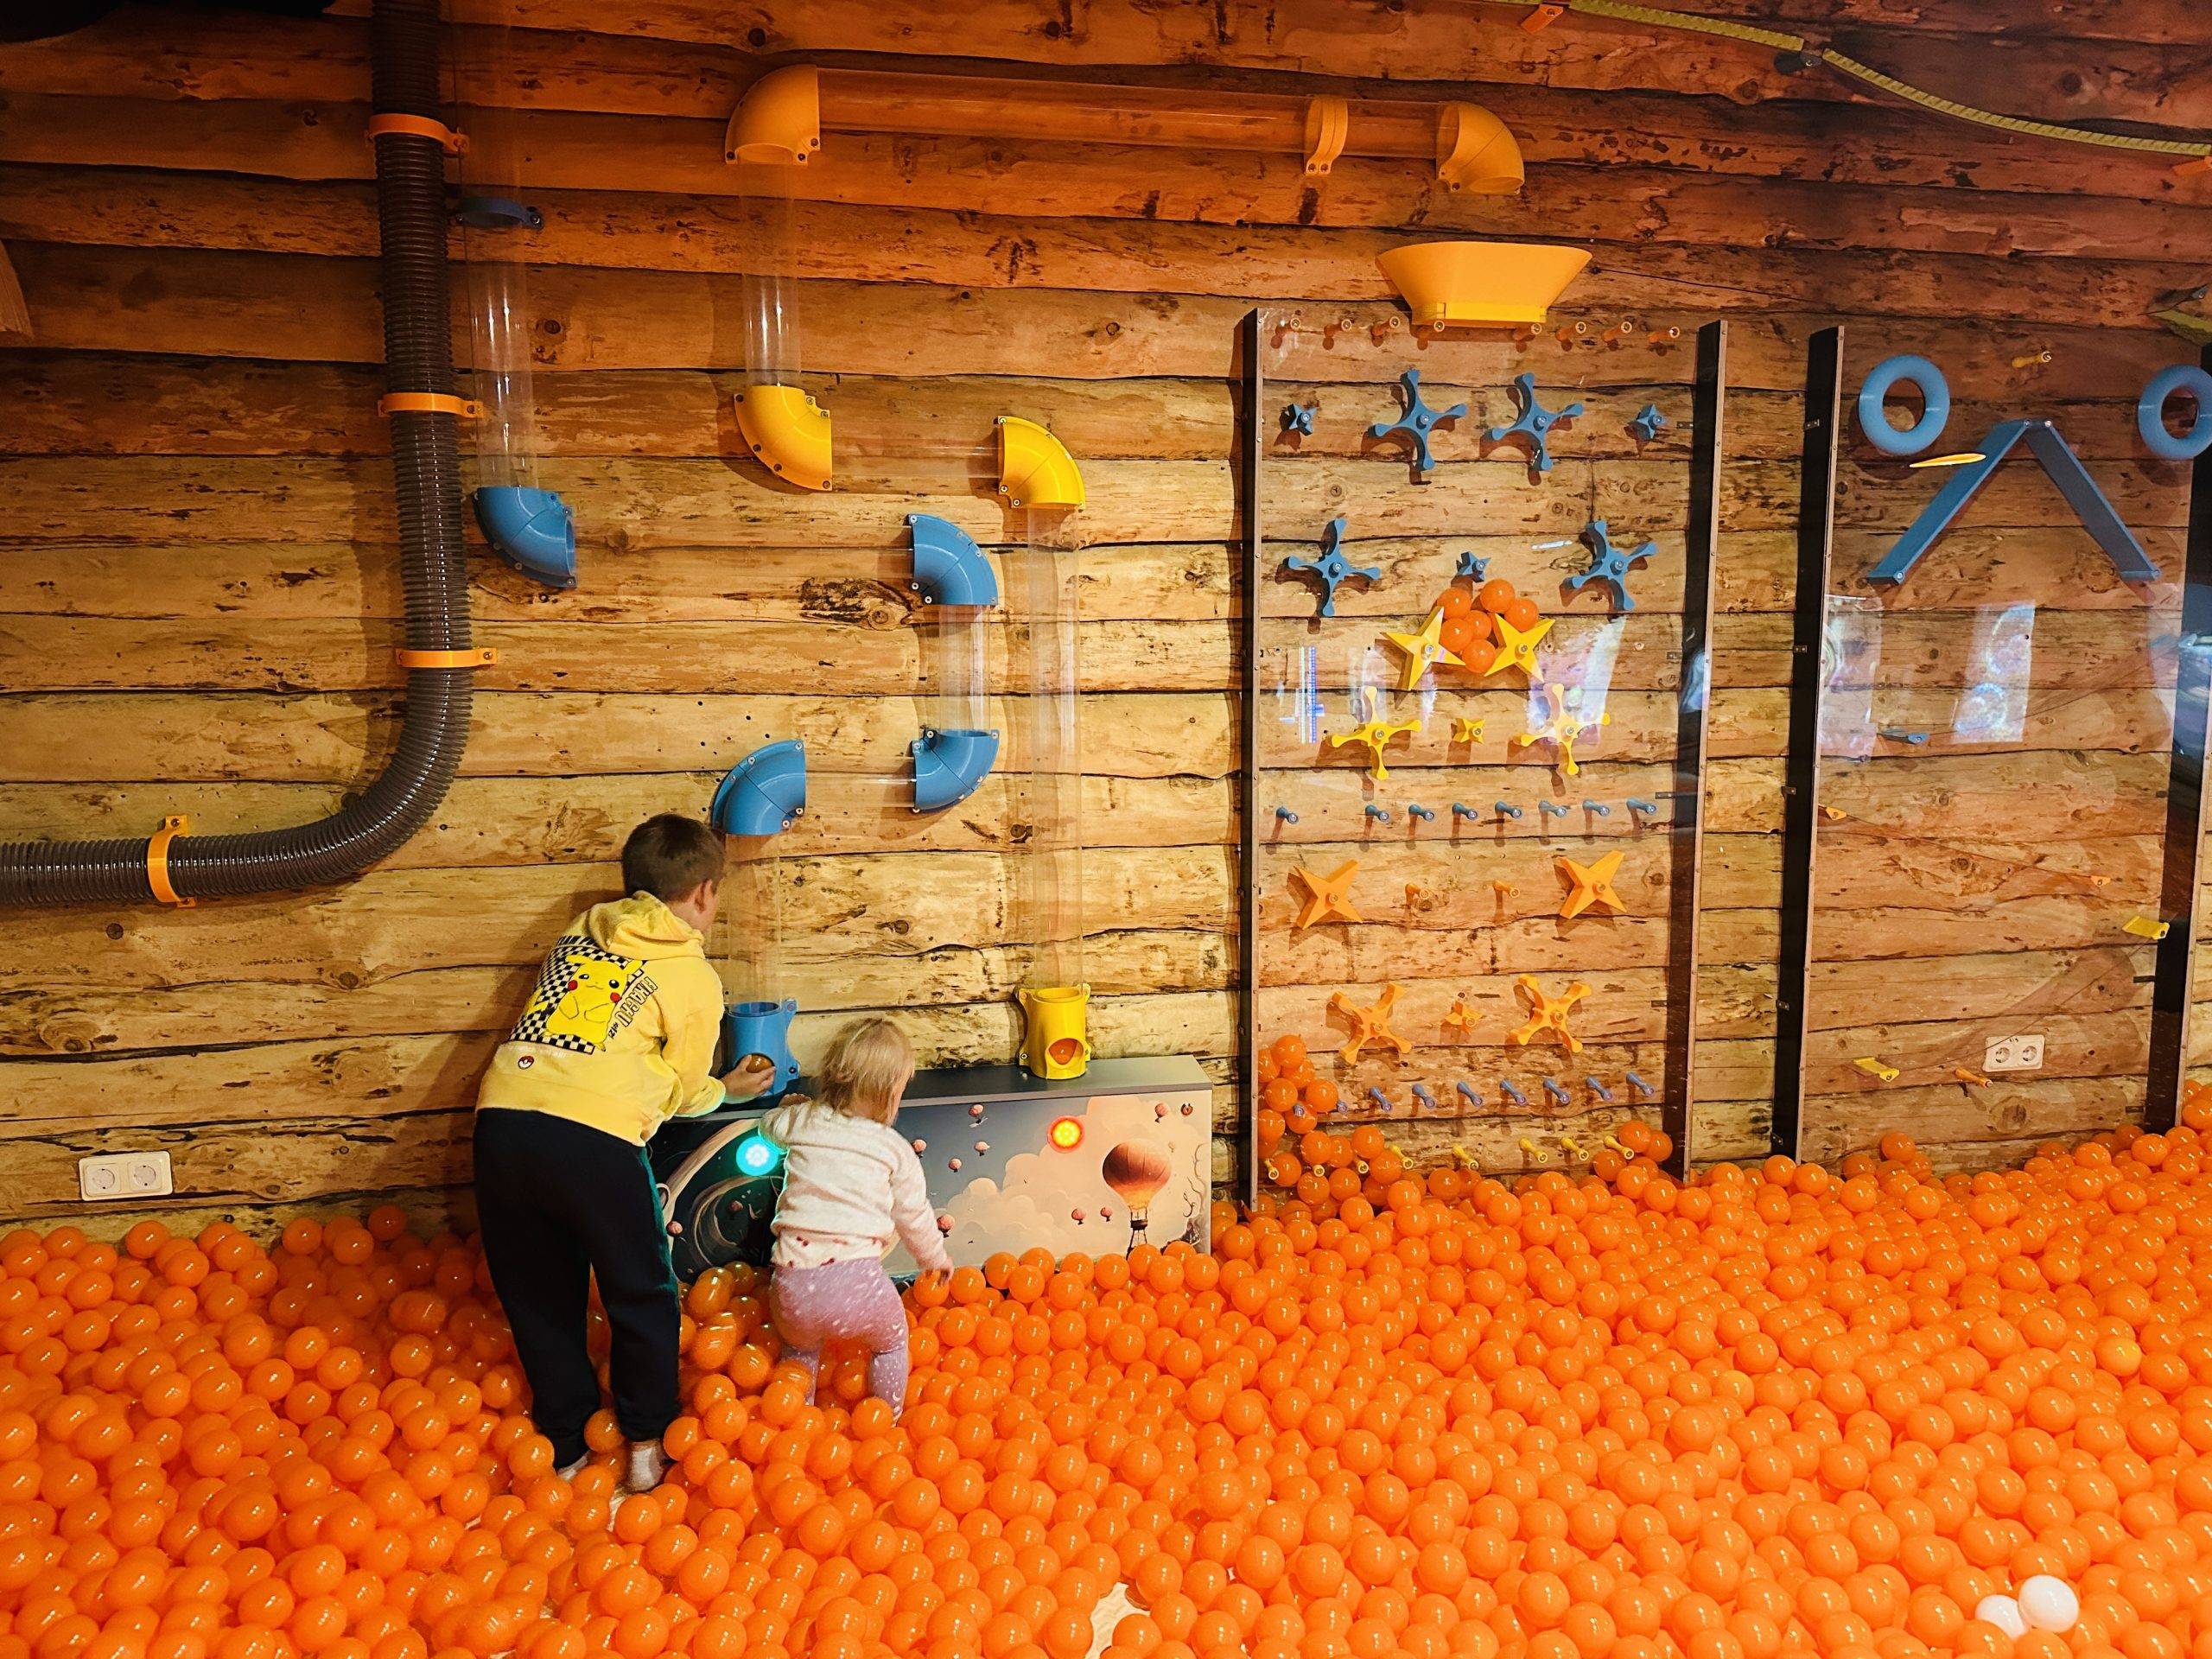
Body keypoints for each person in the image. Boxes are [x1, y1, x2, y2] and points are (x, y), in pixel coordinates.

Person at [474, 813, 775, 1491]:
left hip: (501, 1123)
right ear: (702, 894)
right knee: (641, 1291)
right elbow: (681, 1086)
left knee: (537, 1296)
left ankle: (566, 1444)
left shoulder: (579, 936)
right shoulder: (693, 978)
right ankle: (645, 1443)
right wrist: (723, 1090)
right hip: (592, 1135)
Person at [764, 1017, 951, 1417]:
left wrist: (782, 1111)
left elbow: (770, 1130)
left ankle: (794, 1420)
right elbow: (914, 1216)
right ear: (890, 1096)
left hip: (790, 1286)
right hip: (857, 1287)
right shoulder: (893, 1148)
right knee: (892, 1341)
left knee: (799, 1350)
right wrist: (935, 1260)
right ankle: (887, 1418)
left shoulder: (803, 1119)